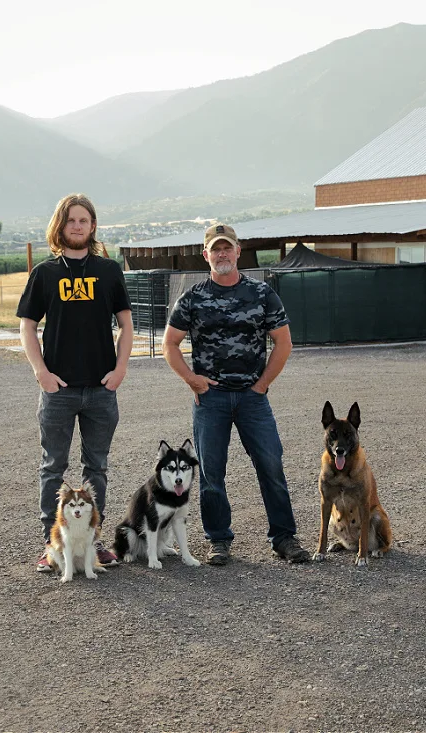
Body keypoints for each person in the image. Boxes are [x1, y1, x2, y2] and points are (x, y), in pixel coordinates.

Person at [162, 223, 310, 565]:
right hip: (210, 399)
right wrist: (191, 380)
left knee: (271, 465)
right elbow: (170, 344)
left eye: (227, 248)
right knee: (212, 473)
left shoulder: (261, 295)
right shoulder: (193, 298)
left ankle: (283, 537)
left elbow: (284, 343)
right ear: (206, 255)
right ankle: (219, 540)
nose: (222, 254)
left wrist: (261, 385)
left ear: (238, 251)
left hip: (252, 399)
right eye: (216, 249)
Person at [17, 193, 133, 572]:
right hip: (59, 390)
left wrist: (120, 370)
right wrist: (41, 372)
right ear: (60, 227)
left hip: (101, 388)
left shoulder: (109, 271)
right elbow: (27, 326)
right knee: (53, 467)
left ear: (93, 226)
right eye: (71, 221)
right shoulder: (46, 274)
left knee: (96, 467)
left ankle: (93, 544)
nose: (78, 226)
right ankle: (53, 546)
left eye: (84, 220)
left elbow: (127, 324)